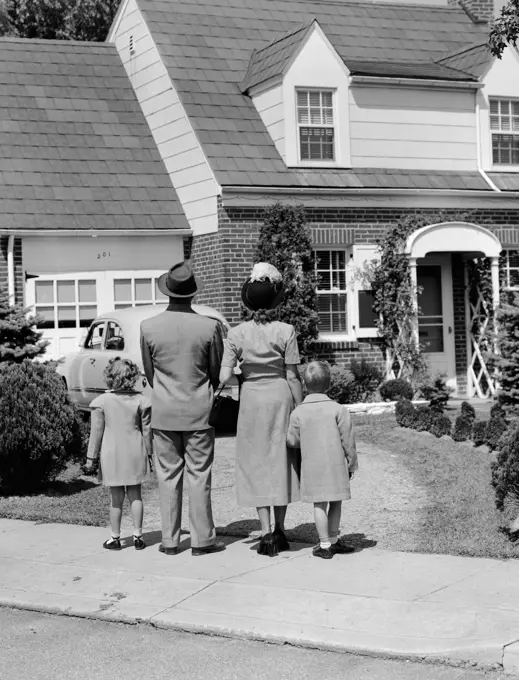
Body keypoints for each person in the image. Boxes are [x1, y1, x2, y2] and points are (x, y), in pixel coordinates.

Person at [140, 261, 226, 557]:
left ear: (168, 292)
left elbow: (150, 373)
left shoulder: (148, 327)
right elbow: (215, 371)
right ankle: (202, 541)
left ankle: (170, 540)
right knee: (199, 475)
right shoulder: (209, 326)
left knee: (167, 477)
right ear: (192, 294)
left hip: (164, 410)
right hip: (199, 410)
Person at [219, 263, 303, 557]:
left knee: (256, 461)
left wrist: (241, 373)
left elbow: (223, 377)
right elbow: (293, 375)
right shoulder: (286, 330)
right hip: (280, 394)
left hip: (252, 398)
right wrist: (301, 407)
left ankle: (265, 532)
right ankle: (281, 529)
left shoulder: (236, 333)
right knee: (281, 459)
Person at [286, 361, 359, 560]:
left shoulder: (298, 412)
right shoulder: (338, 410)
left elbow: (291, 440)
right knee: (336, 502)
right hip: (336, 466)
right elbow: (348, 440)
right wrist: (351, 463)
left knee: (319, 504)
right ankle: (334, 540)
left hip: (312, 467)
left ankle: (325, 544)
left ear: (304, 384)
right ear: (328, 385)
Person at [85, 357, 153, 551]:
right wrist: (150, 454)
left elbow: (96, 434)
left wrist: (91, 458)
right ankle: (138, 536)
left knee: (116, 498)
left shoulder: (101, 402)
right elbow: (147, 432)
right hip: (135, 451)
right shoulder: (142, 401)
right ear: (132, 377)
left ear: (109, 377)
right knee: (136, 495)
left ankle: (115, 538)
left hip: (112, 453)